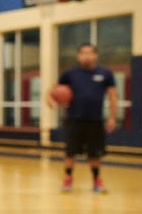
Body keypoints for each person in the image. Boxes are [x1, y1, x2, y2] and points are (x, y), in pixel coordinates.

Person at [49, 43, 118, 193]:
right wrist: (51, 99)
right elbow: (53, 90)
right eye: (83, 53)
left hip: (95, 120)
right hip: (74, 120)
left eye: (90, 53)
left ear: (95, 55)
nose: (86, 56)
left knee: (95, 154)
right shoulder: (69, 74)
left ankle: (97, 181)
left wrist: (112, 117)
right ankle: (67, 179)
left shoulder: (105, 73)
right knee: (70, 153)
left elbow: (113, 96)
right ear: (78, 56)